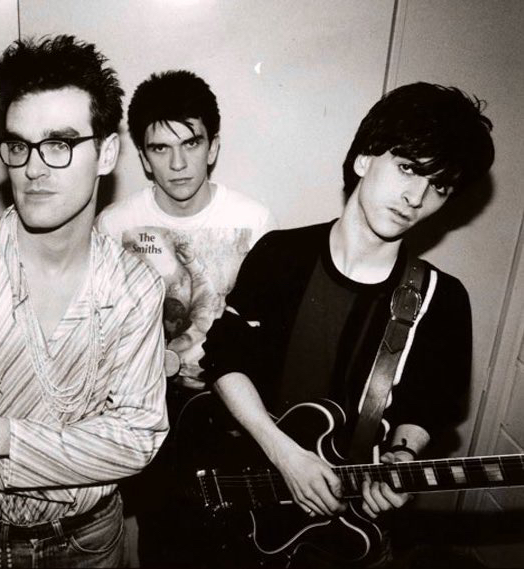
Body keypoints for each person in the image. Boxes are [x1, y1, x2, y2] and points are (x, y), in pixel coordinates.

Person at [200, 82, 495, 567]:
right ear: (363, 158)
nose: (417, 197)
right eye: (408, 168)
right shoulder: (280, 254)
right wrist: (284, 454)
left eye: (439, 186)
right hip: (243, 501)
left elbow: (427, 408)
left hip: (342, 534)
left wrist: (401, 461)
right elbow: (224, 357)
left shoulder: (443, 300)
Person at [0, 35, 168, 568]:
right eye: (19, 145)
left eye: (59, 144)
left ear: (107, 153)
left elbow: (137, 442)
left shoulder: (136, 287)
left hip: (92, 541)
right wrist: (87, 450)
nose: (33, 168)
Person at [96, 69, 275, 566]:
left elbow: (267, 333)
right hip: (150, 418)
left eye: (191, 143)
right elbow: (100, 333)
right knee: (162, 544)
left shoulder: (255, 221)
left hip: (232, 418)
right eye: (160, 148)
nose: (177, 164)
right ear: (142, 157)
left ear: (212, 147)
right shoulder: (114, 225)